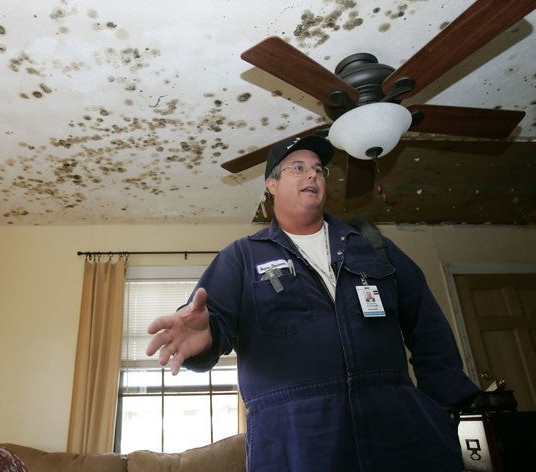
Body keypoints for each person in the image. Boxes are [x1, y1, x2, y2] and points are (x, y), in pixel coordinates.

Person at [146, 135, 480, 471]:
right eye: (299, 168)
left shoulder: (373, 246)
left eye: (320, 170)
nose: (313, 176)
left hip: (398, 427)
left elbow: (428, 325)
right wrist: (204, 339)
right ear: (271, 184)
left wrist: (445, 405)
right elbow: (210, 321)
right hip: (296, 437)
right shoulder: (242, 257)